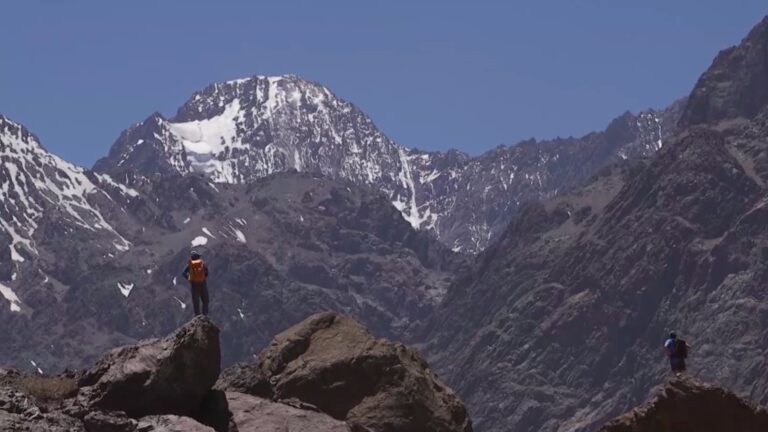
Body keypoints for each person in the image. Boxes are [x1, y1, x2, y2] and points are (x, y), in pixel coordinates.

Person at [182, 251, 209, 316]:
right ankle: (204, 315)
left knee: (196, 301)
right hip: (202, 283)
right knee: (205, 300)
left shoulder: (190, 265)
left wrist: (189, 279)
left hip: (194, 284)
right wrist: (203, 278)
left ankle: (197, 315)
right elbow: (206, 272)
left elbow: (183, 273)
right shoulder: (201, 263)